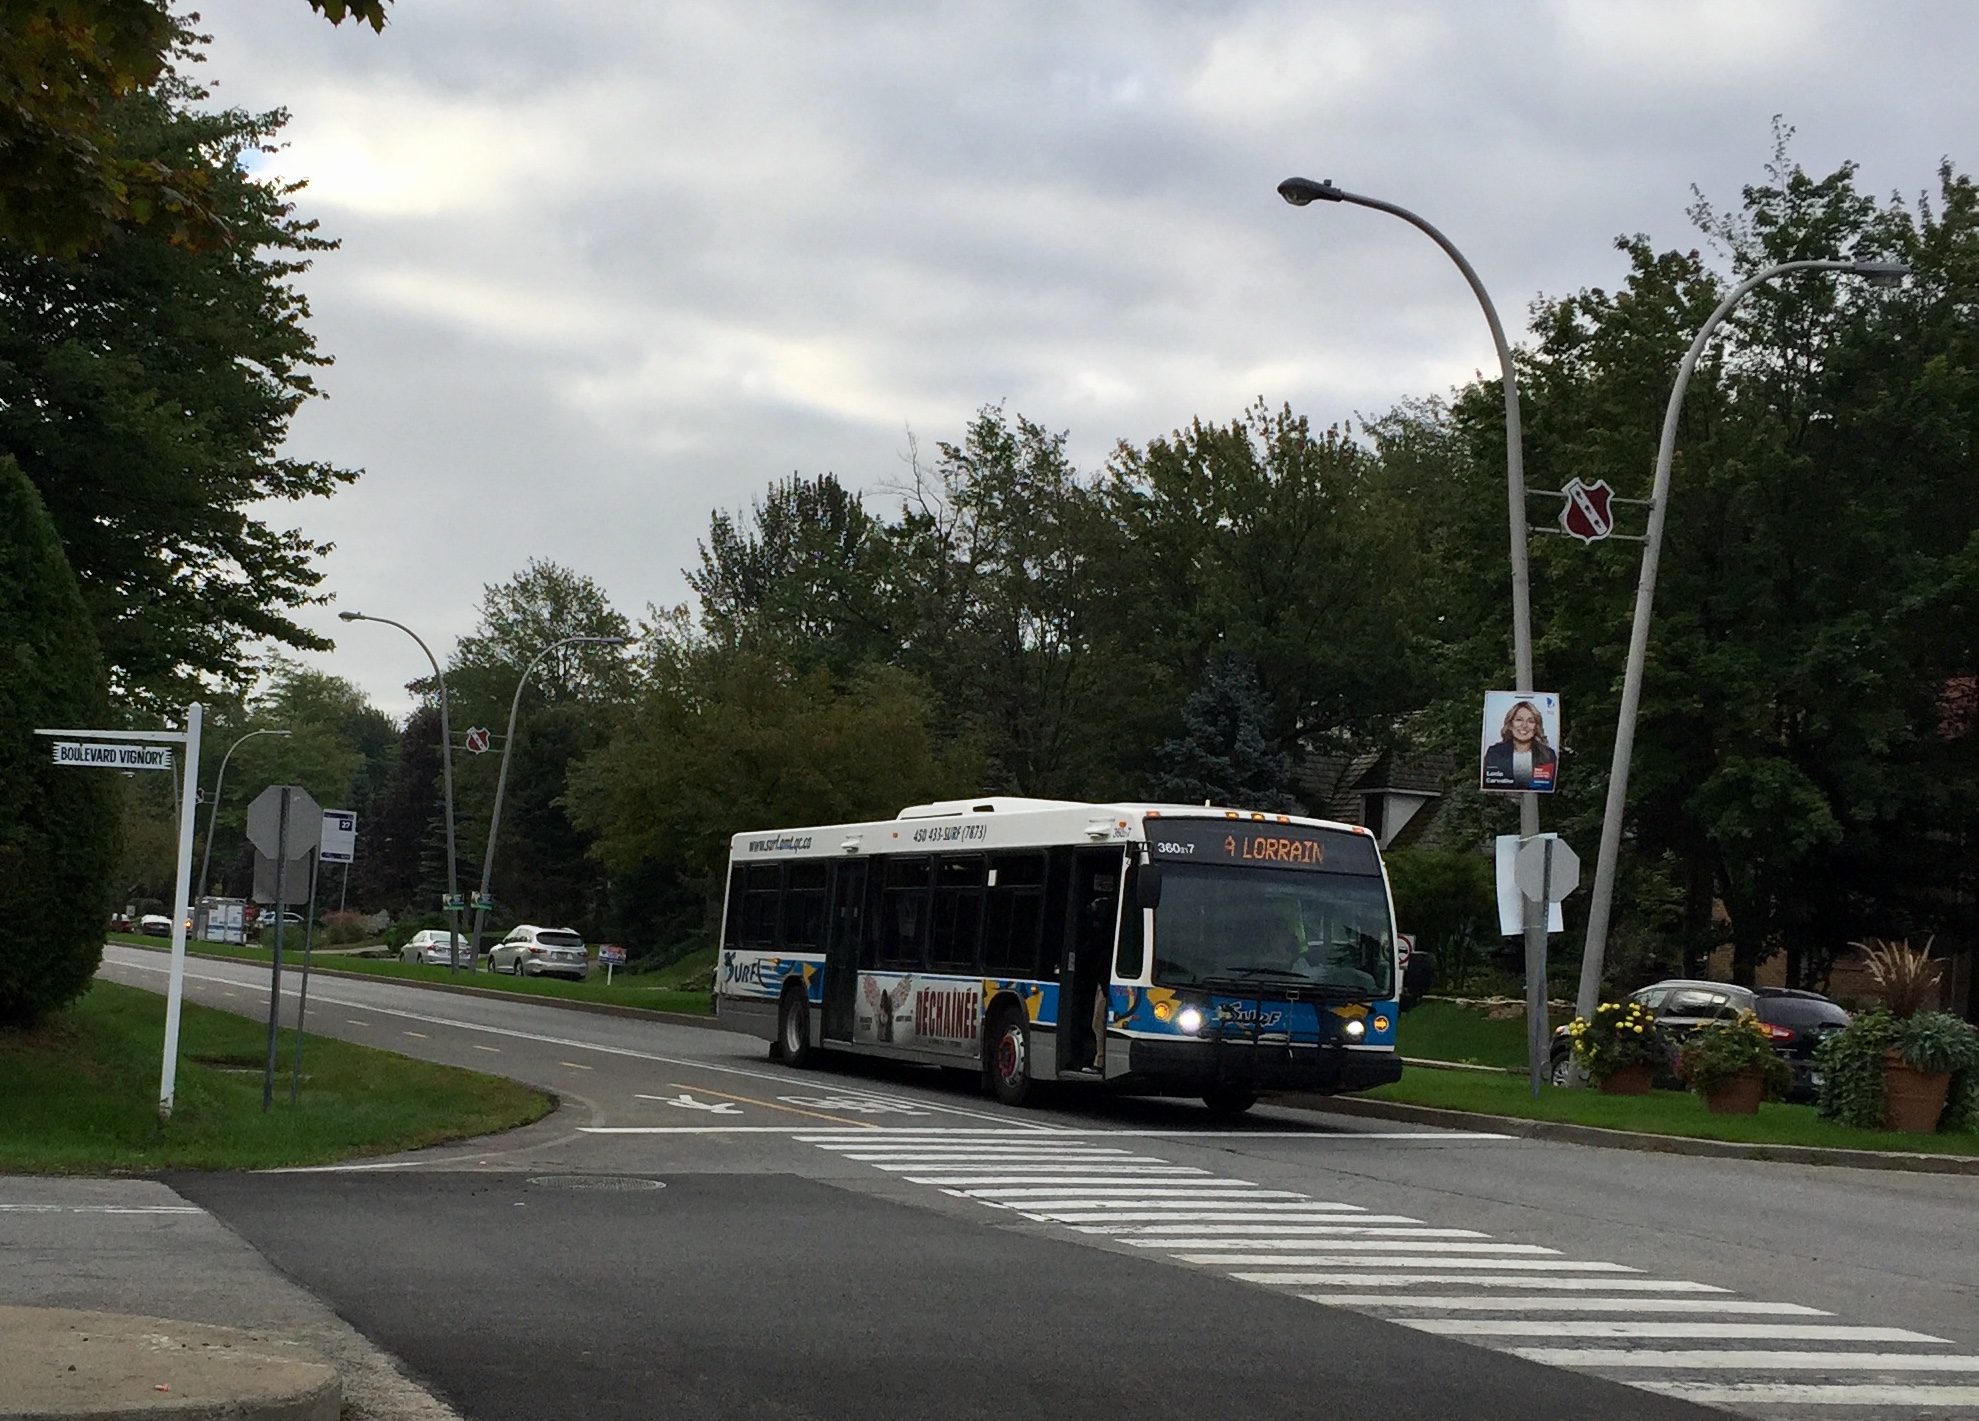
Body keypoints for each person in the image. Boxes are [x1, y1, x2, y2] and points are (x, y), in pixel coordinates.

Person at [1482, 698, 1557, 791]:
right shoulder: (1494, 753)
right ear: (1510, 724)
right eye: (1519, 720)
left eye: (1530, 721)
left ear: (1536, 727)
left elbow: (1547, 787)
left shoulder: (1547, 755)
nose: (1524, 725)